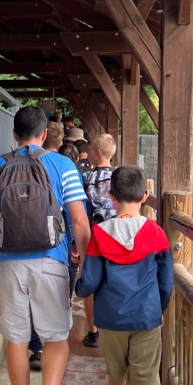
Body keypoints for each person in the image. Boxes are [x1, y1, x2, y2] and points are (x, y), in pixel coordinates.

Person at [0, 106, 90, 385]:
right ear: (44, 134)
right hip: (51, 261)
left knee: (16, 338)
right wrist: (86, 262)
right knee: (56, 336)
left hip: (9, 262)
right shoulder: (63, 166)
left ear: (14, 134)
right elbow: (79, 221)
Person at [74, 165, 173, 385]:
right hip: (146, 317)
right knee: (145, 381)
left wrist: (79, 288)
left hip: (111, 317)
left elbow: (91, 280)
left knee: (116, 373)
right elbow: (165, 282)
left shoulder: (100, 234)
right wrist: (157, 308)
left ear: (111, 196)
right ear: (145, 196)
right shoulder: (156, 233)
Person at [81, 133, 117, 347]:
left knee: (90, 281)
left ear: (97, 152)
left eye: (90, 151)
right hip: (117, 237)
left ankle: (93, 332)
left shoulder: (87, 177)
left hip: (93, 235)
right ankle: (113, 328)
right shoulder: (120, 176)